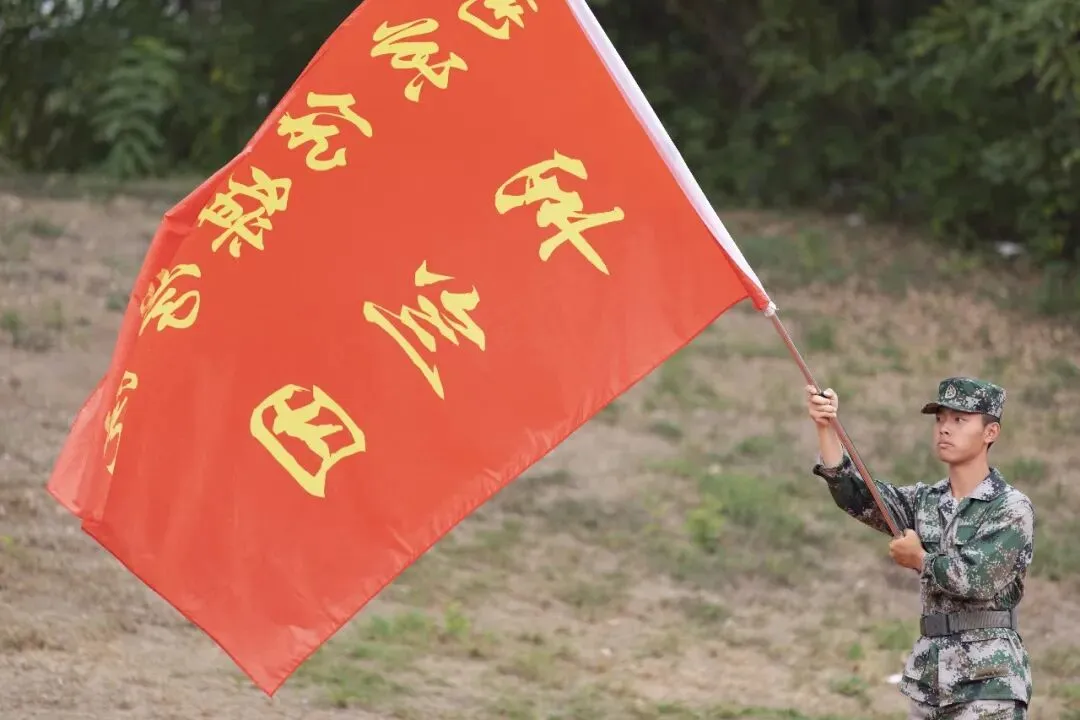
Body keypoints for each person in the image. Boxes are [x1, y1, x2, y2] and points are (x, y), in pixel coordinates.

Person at [806, 377, 1035, 719]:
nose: (945, 428)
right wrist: (827, 428)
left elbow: (978, 580)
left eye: (959, 420)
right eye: (940, 419)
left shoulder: (1010, 508)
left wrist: (920, 559)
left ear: (991, 432)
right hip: (930, 681)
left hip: (989, 682)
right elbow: (859, 496)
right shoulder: (925, 501)